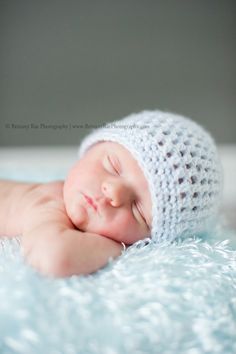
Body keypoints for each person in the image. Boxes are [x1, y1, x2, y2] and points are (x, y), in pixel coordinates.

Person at [0, 110, 223, 277]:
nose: (114, 193)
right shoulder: (50, 202)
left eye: (137, 209)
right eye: (113, 166)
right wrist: (117, 248)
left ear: (148, 240)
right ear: (93, 148)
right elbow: (53, 258)